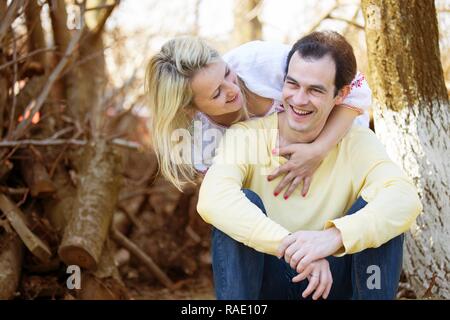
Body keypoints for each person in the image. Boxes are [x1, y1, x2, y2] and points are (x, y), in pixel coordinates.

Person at [196, 31, 422, 300]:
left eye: (315, 90)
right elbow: (212, 199)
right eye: (293, 84)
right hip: (269, 279)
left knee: (381, 218)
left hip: (337, 281)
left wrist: (335, 237)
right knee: (236, 206)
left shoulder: (357, 141)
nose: (299, 99)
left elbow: (405, 198)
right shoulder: (246, 135)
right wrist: (293, 248)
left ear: (341, 94)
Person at [145, 36, 371, 199]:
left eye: (226, 73)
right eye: (217, 93)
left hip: (340, 151)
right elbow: (229, 195)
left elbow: (355, 88)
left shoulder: (257, 61)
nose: (231, 89)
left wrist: (318, 150)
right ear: (191, 109)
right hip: (286, 196)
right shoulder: (198, 140)